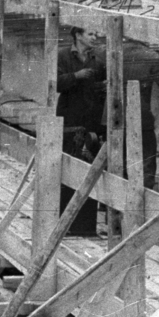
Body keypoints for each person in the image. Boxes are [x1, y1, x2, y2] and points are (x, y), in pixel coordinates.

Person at [56, 32, 107, 236]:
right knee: (67, 170)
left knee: (88, 172)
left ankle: (85, 227)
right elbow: (55, 83)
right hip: (69, 122)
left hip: (90, 123)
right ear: (77, 34)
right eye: (90, 33)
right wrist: (76, 76)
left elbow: (99, 89)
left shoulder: (98, 60)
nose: (95, 37)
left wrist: (102, 87)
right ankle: (64, 225)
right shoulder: (63, 56)